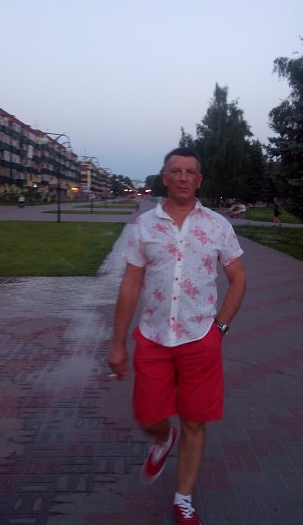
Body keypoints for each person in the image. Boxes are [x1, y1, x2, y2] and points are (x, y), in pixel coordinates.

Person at [108, 147, 246, 524]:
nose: (183, 177)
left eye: (190, 172)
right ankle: (162, 437)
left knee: (195, 421)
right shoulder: (144, 225)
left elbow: (238, 279)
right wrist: (118, 343)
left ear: (199, 180)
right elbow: (130, 285)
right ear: (165, 177)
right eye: (176, 171)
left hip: (200, 338)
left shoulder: (218, 225)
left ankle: (183, 497)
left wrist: (220, 327)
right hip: (153, 337)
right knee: (147, 414)